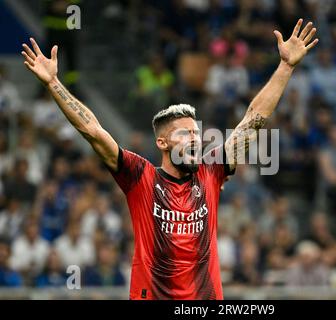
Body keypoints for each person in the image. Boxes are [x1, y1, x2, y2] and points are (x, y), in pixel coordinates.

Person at [20, 18, 318, 299]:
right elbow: (93, 132)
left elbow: (254, 120)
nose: (194, 138)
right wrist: (54, 84)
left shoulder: (211, 172)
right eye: (184, 133)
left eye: (195, 132)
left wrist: (285, 67)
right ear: (162, 142)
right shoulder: (141, 177)